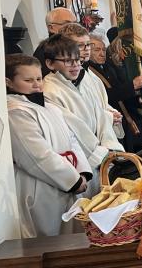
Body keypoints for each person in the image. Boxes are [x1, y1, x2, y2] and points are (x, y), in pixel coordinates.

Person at [6, 54, 92, 237]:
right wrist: (72, 180)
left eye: (38, 78)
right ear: (9, 82)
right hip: (41, 185)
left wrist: (82, 171)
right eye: (28, 80)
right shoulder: (16, 111)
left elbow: (72, 140)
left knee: (74, 237)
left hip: (68, 181)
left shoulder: (49, 107)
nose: (36, 84)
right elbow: (36, 155)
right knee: (50, 240)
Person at [42, 36, 123, 191]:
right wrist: (102, 152)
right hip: (82, 163)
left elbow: (99, 114)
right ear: (50, 63)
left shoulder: (82, 82)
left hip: (100, 156)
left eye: (78, 60)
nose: (75, 66)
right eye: (67, 61)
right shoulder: (51, 91)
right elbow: (73, 130)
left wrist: (108, 122)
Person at [89, 33, 142, 151]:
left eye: (103, 49)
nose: (102, 53)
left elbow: (123, 94)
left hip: (126, 121)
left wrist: (140, 101)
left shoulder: (109, 68)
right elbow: (108, 96)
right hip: (109, 123)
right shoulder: (89, 72)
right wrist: (133, 85)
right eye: (97, 50)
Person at [35, 7, 78, 75]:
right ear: (51, 28)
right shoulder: (46, 49)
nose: (73, 28)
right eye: (67, 24)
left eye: (75, 24)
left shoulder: (71, 46)